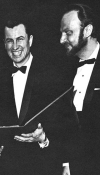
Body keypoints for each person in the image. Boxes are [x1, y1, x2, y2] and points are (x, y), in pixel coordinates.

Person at [0, 12, 79, 175]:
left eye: (20, 39)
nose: (15, 46)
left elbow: (69, 128)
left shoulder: (54, 76)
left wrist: (44, 140)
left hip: (46, 166)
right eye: (9, 41)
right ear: (4, 44)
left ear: (30, 40)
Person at [60, 3, 100, 175]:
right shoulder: (64, 71)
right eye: (61, 33)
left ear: (88, 30)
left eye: (68, 33)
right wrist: (66, 164)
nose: (61, 40)